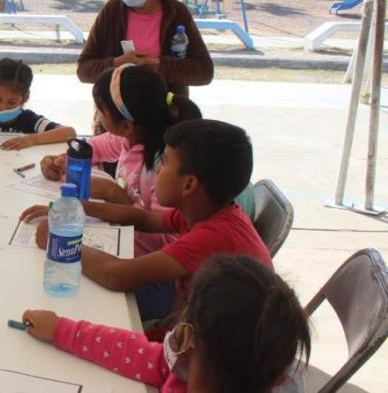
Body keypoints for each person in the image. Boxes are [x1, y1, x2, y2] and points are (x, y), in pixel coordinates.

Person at [22, 119, 271, 321]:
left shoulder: (212, 235)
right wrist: (73, 207)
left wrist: (59, 241)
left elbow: (118, 275)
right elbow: (144, 218)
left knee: (83, 301)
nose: (157, 170)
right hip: (195, 314)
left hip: (216, 348)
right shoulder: (205, 210)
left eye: (164, 163)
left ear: (189, 184)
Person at [21, 255, 311, 393]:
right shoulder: (195, 367)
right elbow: (147, 357)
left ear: (187, 341)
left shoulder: (191, 365)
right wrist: (63, 330)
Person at [38, 65, 201, 255]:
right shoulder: (129, 137)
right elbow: (94, 148)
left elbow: (165, 238)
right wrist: (63, 161)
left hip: (146, 262)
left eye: (100, 110)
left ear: (125, 125)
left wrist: (113, 193)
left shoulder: (164, 168)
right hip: (122, 238)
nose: (97, 115)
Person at [77, 0, 213, 98]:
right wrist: (117, 64)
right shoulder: (112, 11)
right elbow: (83, 70)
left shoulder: (177, 14)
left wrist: (158, 65)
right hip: (116, 118)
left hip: (166, 116)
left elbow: (204, 72)